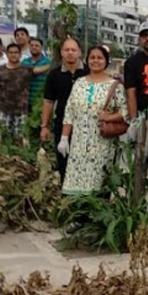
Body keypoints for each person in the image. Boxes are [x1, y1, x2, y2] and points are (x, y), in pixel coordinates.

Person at [59, 45, 126, 194]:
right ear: (87, 60)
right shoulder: (79, 83)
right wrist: (64, 138)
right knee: (75, 189)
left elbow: (126, 112)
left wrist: (109, 117)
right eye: (92, 58)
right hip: (78, 145)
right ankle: (78, 216)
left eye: (100, 58)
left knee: (98, 187)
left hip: (102, 144)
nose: (96, 61)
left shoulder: (114, 86)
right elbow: (69, 111)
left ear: (106, 61)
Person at [41, 38, 87, 182]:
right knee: (63, 162)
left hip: (86, 125)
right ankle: (66, 194)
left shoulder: (88, 72)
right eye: (66, 50)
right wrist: (44, 126)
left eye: (73, 50)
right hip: (61, 123)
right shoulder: (54, 74)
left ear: (80, 52)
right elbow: (48, 101)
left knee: (84, 162)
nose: (70, 53)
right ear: (61, 53)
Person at [0, 43, 33, 142]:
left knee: (21, 138)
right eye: (11, 52)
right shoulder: (0, 69)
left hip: (21, 109)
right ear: (7, 54)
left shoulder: (27, 69)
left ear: (20, 55)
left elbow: (40, 70)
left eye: (16, 52)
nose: (14, 55)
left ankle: (20, 157)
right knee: (1, 137)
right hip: (4, 108)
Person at [22, 36, 51, 106]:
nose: (34, 47)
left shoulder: (47, 61)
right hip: (26, 100)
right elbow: (33, 71)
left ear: (41, 48)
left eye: (36, 46)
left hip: (42, 100)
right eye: (31, 45)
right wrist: (49, 66)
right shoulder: (25, 62)